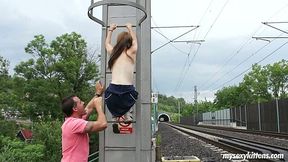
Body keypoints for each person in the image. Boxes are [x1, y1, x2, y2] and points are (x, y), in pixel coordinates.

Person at [61, 81, 107, 162]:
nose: (83, 103)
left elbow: (89, 107)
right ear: (75, 109)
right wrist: (99, 106)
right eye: (80, 102)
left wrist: (98, 93)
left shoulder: (74, 121)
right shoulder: (74, 124)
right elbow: (102, 124)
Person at [104, 23, 138, 124]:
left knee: (110, 98)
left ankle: (115, 115)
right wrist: (130, 28)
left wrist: (110, 30)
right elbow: (135, 41)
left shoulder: (113, 52)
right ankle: (127, 114)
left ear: (118, 41)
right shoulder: (131, 52)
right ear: (129, 42)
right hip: (128, 90)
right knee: (129, 99)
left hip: (113, 90)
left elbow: (107, 44)